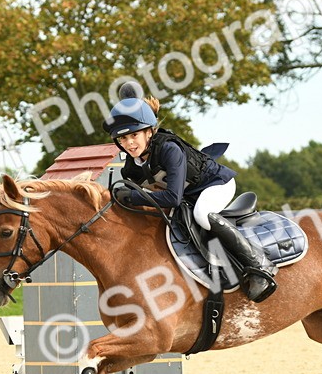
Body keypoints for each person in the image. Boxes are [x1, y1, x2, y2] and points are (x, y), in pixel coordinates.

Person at [101, 82, 276, 302]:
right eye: (123, 139)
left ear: (149, 132)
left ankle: (259, 265)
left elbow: (172, 198)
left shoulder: (168, 149)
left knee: (202, 215)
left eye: (134, 136)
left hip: (215, 184)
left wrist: (134, 196)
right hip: (188, 195)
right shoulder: (130, 167)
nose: (129, 143)